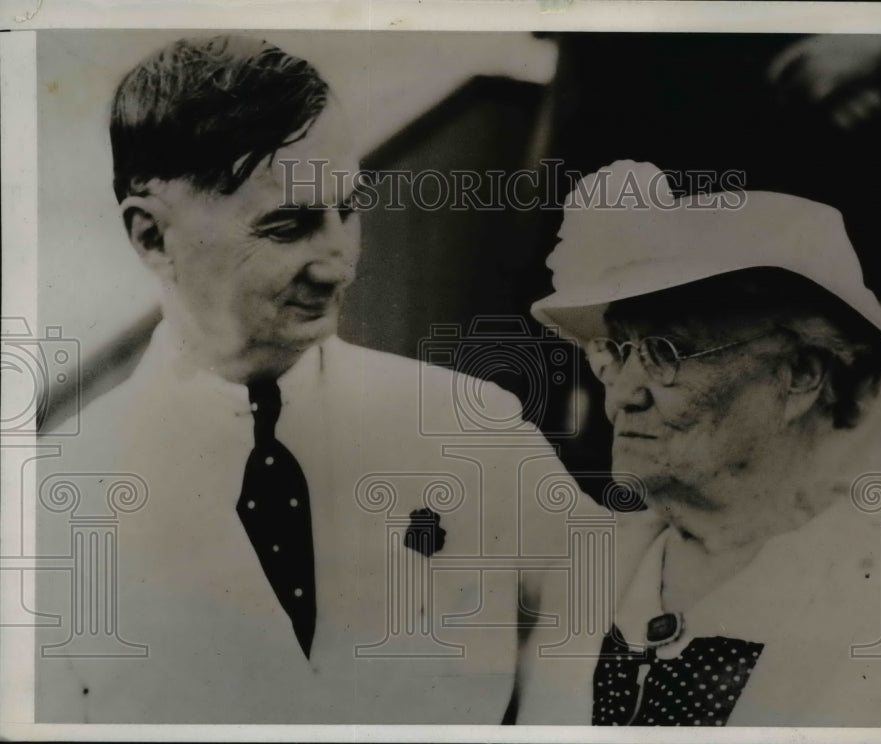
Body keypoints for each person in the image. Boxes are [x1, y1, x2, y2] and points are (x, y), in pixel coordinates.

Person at [34, 34, 611, 724]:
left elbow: (598, 601)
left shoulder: (472, 429)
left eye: (349, 209)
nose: (339, 262)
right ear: (152, 237)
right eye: (289, 226)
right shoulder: (58, 498)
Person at [515, 160, 881, 726]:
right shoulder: (575, 570)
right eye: (617, 352)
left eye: (667, 352)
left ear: (800, 375)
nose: (623, 396)